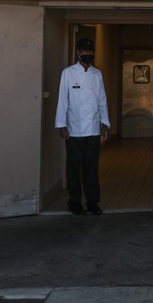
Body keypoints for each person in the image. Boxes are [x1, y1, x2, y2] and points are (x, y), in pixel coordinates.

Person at [55, 37, 110, 215]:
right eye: (85, 52)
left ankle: (93, 202)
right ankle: (74, 201)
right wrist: (61, 125)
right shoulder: (68, 73)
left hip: (93, 129)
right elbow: (63, 99)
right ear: (78, 53)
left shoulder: (97, 74)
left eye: (90, 51)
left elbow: (102, 99)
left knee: (91, 168)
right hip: (74, 129)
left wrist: (104, 123)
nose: (88, 54)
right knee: (73, 167)